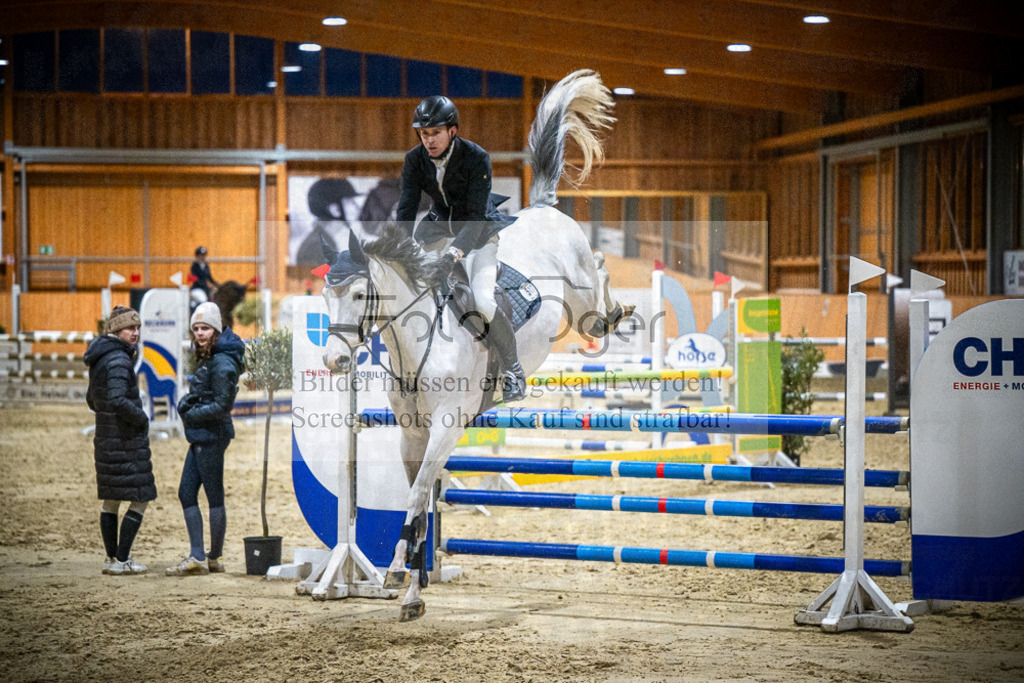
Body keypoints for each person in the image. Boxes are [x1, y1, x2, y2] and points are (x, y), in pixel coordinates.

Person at [396, 95, 524, 402]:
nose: (429, 140)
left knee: (482, 302)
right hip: (438, 229)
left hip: (478, 232)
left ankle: (513, 369)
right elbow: (407, 207)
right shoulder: (414, 160)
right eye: (424, 134)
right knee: (412, 294)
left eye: (435, 132)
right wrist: (401, 247)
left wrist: (454, 255)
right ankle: (412, 370)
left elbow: (476, 217)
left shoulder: (476, 157)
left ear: (452, 131)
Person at [167, 302, 245, 576]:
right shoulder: (213, 355)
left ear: (216, 329)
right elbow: (207, 393)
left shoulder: (222, 362)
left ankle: (203, 557)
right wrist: (191, 401)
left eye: (205, 328)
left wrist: (190, 412)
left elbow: (223, 404)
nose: (200, 333)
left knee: (205, 495)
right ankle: (210, 557)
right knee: (191, 493)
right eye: (196, 328)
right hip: (205, 434)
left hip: (210, 435)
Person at [84, 305, 156, 576]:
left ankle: (111, 558)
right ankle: (122, 559)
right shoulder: (119, 359)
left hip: (105, 437)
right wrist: (141, 417)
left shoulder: (101, 356)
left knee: (111, 500)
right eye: (130, 328)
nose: (135, 332)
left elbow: (92, 399)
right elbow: (117, 399)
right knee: (140, 498)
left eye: (137, 328)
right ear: (116, 330)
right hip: (124, 440)